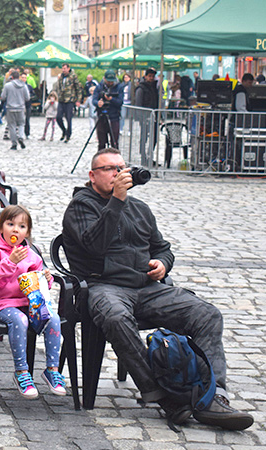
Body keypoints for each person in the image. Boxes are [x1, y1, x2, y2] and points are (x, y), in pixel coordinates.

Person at [61, 148, 253, 431]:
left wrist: (163, 264)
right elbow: (95, 246)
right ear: (93, 175)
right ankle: (165, 397)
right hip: (104, 287)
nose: (118, 173)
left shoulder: (139, 208)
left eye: (121, 168)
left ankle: (215, 396)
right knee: (115, 318)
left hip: (146, 288)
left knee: (207, 314)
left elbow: (163, 248)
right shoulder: (80, 207)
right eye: (110, 169)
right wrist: (115, 201)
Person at [0, 205, 65, 398]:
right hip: (2, 304)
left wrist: (46, 278)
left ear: (27, 232)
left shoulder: (30, 254)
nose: (15, 230)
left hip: (27, 303)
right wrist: (9, 262)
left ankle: (52, 369)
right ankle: (21, 371)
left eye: (21, 226)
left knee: (53, 318)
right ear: (1, 226)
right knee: (20, 320)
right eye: (10, 224)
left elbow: (40, 284)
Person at [134, 68, 160, 167]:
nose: (151, 78)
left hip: (154, 116)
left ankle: (149, 156)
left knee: (154, 138)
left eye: (153, 76)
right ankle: (143, 157)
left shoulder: (155, 87)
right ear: (145, 77)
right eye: (150, 76)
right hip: (145, 117)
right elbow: (138, 103)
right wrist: (141, 117)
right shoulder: (141, 88)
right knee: (144, 138)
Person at [92, 70, 124, 151]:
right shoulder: (99, 87)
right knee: (101, 142)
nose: (110, 83)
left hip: (114, 117)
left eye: (112, 81)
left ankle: (115, 160)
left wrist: (111, 99)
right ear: (104, 79)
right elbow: (94, 100)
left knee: (114, 142)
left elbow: (120, 102)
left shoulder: (119, 87)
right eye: (108, 81)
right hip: (101, 117)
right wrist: (98, 103)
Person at [53, 64, 83, 143]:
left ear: (68, 69)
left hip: (70, 100)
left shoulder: (73, 76)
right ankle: (64, 130)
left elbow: (78, 89)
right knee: (58, 117)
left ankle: (68, 135)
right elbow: (58, 87)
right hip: (61, 100)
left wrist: (78, 100)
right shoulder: (61, 77)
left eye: (65, 68)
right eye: (62, 68)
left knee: (68, 118)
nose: (63, 70)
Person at [1, 70, 29, 150]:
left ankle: (14, 143)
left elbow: (3, 97)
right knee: (21, 124)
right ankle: (20, 136)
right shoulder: (24, 85)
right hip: (21, 108)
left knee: (12, 125)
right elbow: (27, 98)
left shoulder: (7, 85)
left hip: (10, 108)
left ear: (11, 77)